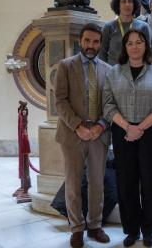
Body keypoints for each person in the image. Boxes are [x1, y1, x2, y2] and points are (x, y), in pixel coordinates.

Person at [102, 28, 152, 247]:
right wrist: (127, 127)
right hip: (123, 133)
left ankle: (148, 229)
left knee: (151, 184)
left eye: (139, 42)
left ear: (146, 45)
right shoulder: (113, 72)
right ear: (124, 47)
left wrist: (140, 127)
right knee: (126, 183)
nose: (134, 47)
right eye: (130, 43)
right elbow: (108, 105)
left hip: (150, 132)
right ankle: (131, 230)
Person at [55, 24, 112, 248]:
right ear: (81, 41)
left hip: (99, 134)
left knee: (97, 182)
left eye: (96, 42)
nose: (91, 46)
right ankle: (77, 228)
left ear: (100, 43)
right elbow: (60, 101)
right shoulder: (65, 66)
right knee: (73, 183)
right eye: (88, 41)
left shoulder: (108, 70)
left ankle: (95, 225)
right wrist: (78, 126)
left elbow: (110, 103)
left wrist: (100, 126)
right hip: (72, 134)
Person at [100, 0, 152, 65]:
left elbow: (147, 52)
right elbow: (102, 54)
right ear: (118, 6)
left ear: (134, 5)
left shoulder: (143, 26)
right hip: (113, 72)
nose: (127, 4)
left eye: (130, 1)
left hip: (136, 71)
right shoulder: (108, 27)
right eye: (123, 2)